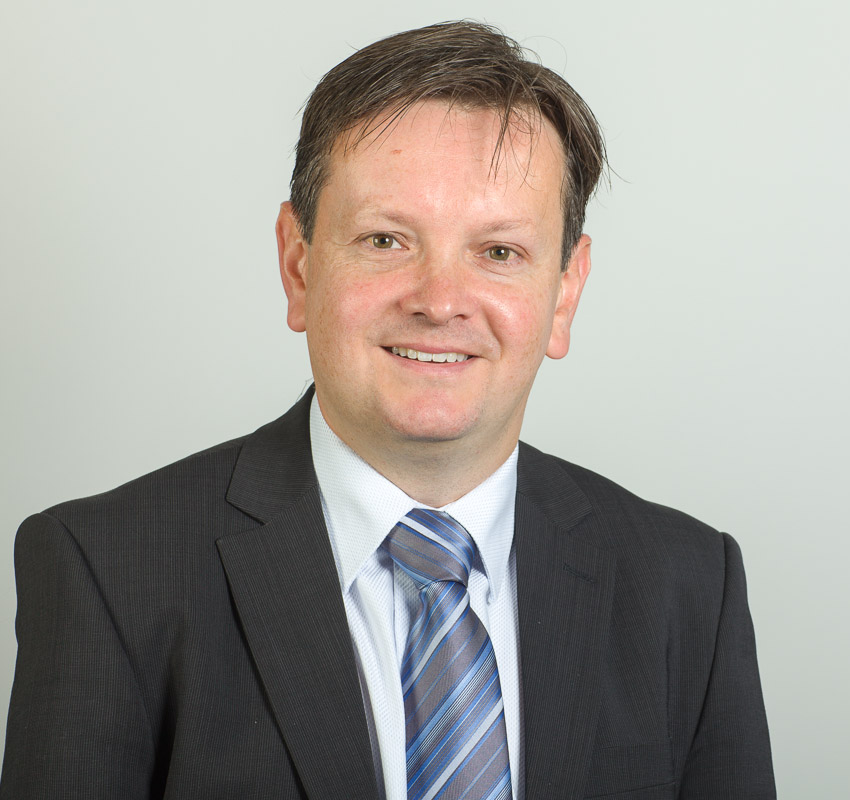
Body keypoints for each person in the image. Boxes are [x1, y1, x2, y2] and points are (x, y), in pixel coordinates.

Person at [1, 21, 774, 800]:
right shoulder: (102, 570)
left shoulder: (685, 586)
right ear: (298, 266)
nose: (439, 302)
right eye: (385, 240)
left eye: (498, 251)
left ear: (565, 292)